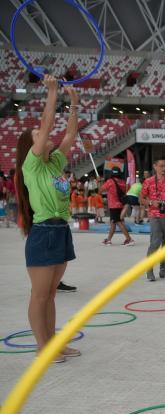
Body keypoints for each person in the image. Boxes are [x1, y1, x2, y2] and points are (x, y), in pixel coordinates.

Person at [14, 75, 82, 363]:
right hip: (43, 232)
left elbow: (70, 135)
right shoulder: (31, 165)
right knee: (40, 295)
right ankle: (42, 347)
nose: (43, 136)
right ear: (31, 145)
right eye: (37, 135)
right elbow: (47, 123)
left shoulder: (54, 162)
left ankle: (53, 343)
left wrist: (74, 104)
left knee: (51, 294)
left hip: (61, 230)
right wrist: (53, 91)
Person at [141, 158, 165, 282]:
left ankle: (163, 270)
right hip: (155, 215)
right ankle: (149, 270)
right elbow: (141, 199)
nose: (164, 168)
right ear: (155, 166)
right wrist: (151, 202)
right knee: (155, 243)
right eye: (161, 166)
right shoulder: (148, 182)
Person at [101, 168, 134, 246]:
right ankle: (108, 240)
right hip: (121, 204)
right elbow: (128, 189)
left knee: (118, 222)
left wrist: (99, 181)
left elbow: (100, 190)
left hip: (113, 205)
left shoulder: (110, 181)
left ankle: (129, 239)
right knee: (113, 222)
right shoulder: (123, 182)